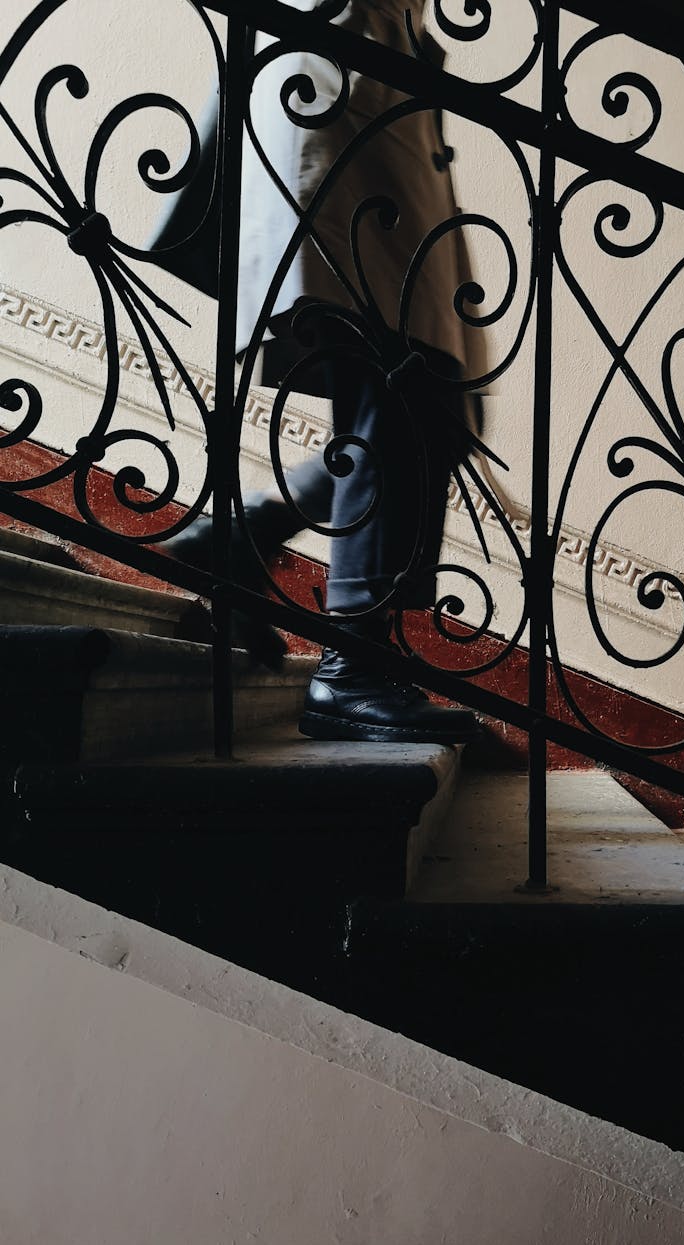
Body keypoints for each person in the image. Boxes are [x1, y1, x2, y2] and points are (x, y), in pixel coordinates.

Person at [154, 0, 483, 743]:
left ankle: (247, 536)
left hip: (380, 81)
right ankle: (351, 665)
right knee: (398, 377)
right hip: (343, 72)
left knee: (432, 397)